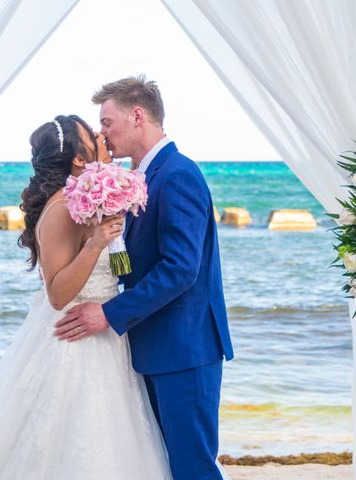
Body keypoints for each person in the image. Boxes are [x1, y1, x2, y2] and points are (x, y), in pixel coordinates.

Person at [0, 114, 172, 479]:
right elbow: (59, 293)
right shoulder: (62, 207)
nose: (100, 137)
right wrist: (97, 242)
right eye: (92, 135)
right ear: (80, 159)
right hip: (75, 338)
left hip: (107, 336)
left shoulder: (88, 199)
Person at [55, 76, 234, 480]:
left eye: (107, 122)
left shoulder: (178, 174)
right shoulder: (138, 177)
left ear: (137, 116)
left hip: (184, 350)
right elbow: (133, 264)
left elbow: (180, 269)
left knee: (192, 468)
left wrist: (109, 313)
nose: (102, 132)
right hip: (151, 347)